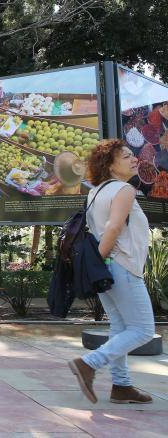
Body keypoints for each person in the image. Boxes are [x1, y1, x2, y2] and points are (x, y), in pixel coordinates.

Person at [68, 139, 155, 404]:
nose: (134, 159)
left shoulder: (95, 192)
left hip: (106, 267)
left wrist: (97, 265)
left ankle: (121, 386)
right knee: (142, 329)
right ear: (110, 164)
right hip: (123, 265)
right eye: (127, 156)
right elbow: (114, 228)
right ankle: (89, 363)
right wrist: (101, 262)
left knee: (120, 326)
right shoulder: (123, 189)